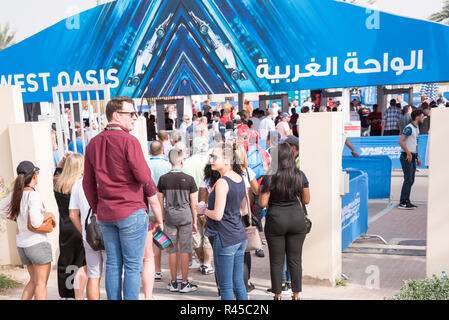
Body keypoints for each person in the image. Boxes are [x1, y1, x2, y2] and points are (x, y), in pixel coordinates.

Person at [83, 96, 152, 300]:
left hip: (106, 212)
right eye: (131, 114)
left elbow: (87, 183)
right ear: (116, 115)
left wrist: (97, 209)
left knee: (113, 263)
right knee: (132, 265)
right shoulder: (130, 141)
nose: (134, 118)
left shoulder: (93, 143)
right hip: (130, 209)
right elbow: (143, 176)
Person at [197, 141, 248, 300]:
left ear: (227, 160)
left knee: (226, 287)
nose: (211, 160)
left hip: (225, 237)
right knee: (238, 283)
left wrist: (203, 210)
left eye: (215, 157)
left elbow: (218, 215)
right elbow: (241, 209)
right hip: (239, 236)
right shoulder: (238, 178)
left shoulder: (222, 182)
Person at [259, 143, 310, 300]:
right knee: (295, 260)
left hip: (276, 220)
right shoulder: (300, 175)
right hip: (296, 219)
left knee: (276, 261)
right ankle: (296, 295)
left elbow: (262, 203)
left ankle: (278, 295)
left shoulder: (269, 176)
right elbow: (306, 200)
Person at [0, 161, 57, 300]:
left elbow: (1, 208)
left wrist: (17, 220)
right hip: (37, 245)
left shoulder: (16, 194)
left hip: (23, 245)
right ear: (34, 175)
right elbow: (36, 222)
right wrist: (49, 215)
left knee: (33, 281)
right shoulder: (33, 195)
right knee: (41, 284)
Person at [157, 147, 199, 293]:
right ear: (182, 161)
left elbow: (159, 201)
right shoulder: (189, 179)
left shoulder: (163, 179)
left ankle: (174, 282)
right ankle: (185, 283)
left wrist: (160, 220)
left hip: (169, 218)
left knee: (171, 250)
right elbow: (193, 204)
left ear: (169, 160)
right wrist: (195, 222)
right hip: (186, 217)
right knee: (185, 249)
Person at [53, 153, 87, 300]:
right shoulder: (81, 185)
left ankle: (67, 293)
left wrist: (62, 161)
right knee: (80, 263)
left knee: (67, 261)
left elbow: (58, 170)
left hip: (65, 227)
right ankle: (77, 294)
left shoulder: (58, 184)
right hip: (79, 225)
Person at [69, 169, 106, 300]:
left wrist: (84, 232)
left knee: (93, 276)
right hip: (109, 233)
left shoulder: (78, 184)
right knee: (115, 274)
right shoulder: (108, 180)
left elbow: (73, 215)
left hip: (89, 236)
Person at [146, 141, 171, 282]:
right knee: (160, 237)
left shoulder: (145, 164)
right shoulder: (167, 166)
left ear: (150, 151)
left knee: (149, 239)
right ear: (162, 151)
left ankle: (154, 269)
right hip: (163, 206)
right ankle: (157, 269)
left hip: (148, 207)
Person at [235, 145, 259, 292]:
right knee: (245, 251)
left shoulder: (228, 174)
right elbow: (257, 190)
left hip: (230, 215)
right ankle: (246, 281)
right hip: (245, 216)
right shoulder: (248, 173)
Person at [398, 109, 425, 210]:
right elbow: (401, 141)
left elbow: (415, 144)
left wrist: (417, 157)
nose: (423, 118)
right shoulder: (409, 128)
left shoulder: (416, 128)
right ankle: (403, 202)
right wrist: (409, 153)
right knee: (408, 179)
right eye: (422, 116)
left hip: (412, 156)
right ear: (417, 117)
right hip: (406, 156)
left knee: (411, 179)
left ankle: (407, 200)